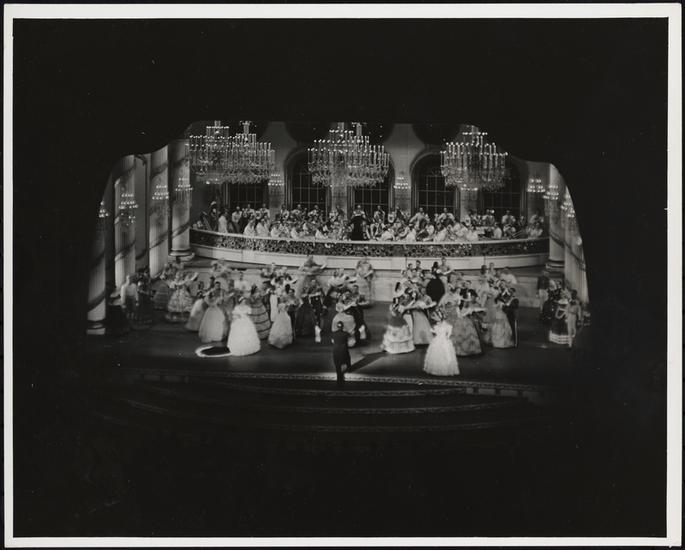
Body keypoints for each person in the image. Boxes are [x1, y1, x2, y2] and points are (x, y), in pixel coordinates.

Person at [331, 321, 351, 388]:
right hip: (344, 349)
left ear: (337, 326)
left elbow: (332, 341)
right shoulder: (346, 333)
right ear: (342, 326)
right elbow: (350, 339)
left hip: (336, 350)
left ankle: (339, 378)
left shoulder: (334, 333)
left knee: (337, 364)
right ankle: (349, 369)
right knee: (347, 359)